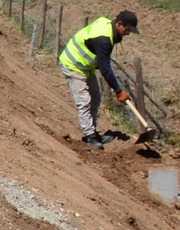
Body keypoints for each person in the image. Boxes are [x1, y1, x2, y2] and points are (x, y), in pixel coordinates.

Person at [58, 9, 139, 147]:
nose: (128, 33)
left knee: (95, 98)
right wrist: (118, 91)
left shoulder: (108, 27)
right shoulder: (104, 39)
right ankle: (90, 137)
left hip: (85, 67)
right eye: (127, 29)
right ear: (119, 24)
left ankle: (93, 132)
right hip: (73, 65)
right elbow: (105, 68)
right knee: (84, 101)